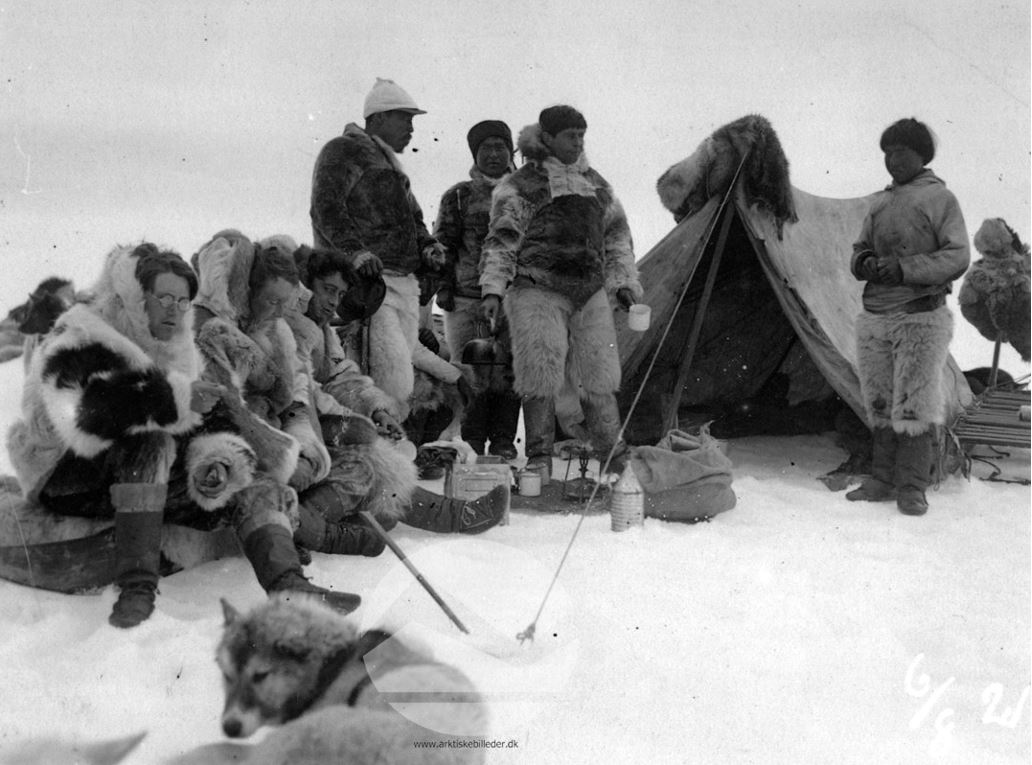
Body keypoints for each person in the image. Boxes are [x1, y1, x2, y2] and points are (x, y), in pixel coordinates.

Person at [6, 243, 357, 629]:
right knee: (149, 442)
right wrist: (175, 399)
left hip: (130, 475)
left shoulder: (175, 343)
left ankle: (288, 586)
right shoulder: (81, 330)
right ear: (136, 296)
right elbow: (83, 418)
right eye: (163, 298)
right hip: (62, 468)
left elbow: (191, 425)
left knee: (247, 472)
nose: (174, 309)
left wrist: (217, 458)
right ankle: (137, 585)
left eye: (181, 300)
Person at [284, 242, 508, 551]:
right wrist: (350, 421)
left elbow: (342, 378)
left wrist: (378, 411)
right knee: (371, 468)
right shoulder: (292, 328)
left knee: (383, 488)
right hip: (297, 439)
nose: (332, 302)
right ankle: (310, 528)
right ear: (305, 285)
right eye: (327, 289)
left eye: (339, 294)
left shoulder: (320, 329)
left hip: (318, 432)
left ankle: (459, 515)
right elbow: (305, 392)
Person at [479, 105, 643, 481]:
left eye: (582, 135)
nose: (578, 142)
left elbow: (617, 238)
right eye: (571, 135)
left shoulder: (597, 186)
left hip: (589, 291)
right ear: (548, 138)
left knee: (600, 375)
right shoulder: (522, 184)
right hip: (537, 288)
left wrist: (624, 284)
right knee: (540, 374)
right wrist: (493, 286)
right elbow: (503, 238)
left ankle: (614, 458)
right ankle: (539, 458)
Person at [310, 77, 463, 418]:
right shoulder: (343, 150)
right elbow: (326, 208)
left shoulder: (392, 166)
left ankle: (391, 449)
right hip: (366, 287)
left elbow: (415, 220)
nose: (411, 129)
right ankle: (377, 451)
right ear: (378, 118)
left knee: (398, 378)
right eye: (404, 119)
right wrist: (355, 254)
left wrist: (428, 247)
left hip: (402, 285)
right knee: (382, 378)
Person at [847, 117, 970, 516]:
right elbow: (859, 248)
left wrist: (905, 269)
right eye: (887, 153)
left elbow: (957, 256)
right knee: (880, 401)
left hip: (919, 317)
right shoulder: (880, 203)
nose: (893, 160)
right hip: (876, 315)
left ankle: (912, 486)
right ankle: (883, 478)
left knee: (915, 405)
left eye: (901, 152)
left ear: (922, 155)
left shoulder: (940, 199)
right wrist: (865, 263)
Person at [433, 119, 521, 460]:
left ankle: (503, 441)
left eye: (500, 146)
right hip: (467, 298)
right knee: (471, 370)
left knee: (509, 371)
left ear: (511, 151)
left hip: (515, 297)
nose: (494, 154)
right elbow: (443, 245)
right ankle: (471, 441)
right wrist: (444, 288)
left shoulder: (525, 194)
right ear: (475, 153)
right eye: (486, 148)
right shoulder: (458, 195)